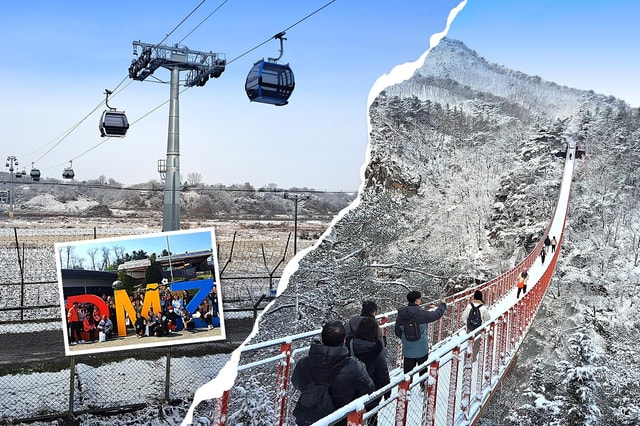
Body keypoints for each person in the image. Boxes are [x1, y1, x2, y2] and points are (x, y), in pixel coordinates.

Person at [292, 321, 374, 426]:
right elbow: (368, 388)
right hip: (341, 420)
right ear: (344, 341)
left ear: (322, 339)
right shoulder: (354, 366)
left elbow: (297, 383)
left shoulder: (304, 363)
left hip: (310, 419)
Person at [346, 316, 390, 426]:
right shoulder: (377, 349)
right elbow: (382, 373)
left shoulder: (348, 346)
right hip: (371, 394)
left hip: (350, 393)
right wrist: (387, 392)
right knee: (372, 419)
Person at [394, 291, 447, 376]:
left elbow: (397, 331)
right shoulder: (422, 313)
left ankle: (406, 388)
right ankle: (423, 388)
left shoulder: (401, 315)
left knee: (407, 376)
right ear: (417, 300)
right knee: (423, 374)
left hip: (408, 351)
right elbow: (436, 315)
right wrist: (443, 304)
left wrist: (406, 338)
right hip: (422, 350)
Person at [461, 290, 491, 361]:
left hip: (470, 327)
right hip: (479, 328)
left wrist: (468, 322)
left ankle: (467, 357)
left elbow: (463, 317)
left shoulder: (469, 306)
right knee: (477, 344)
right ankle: (473, 358)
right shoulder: (483, 307)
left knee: (469, 342)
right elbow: (488, 318)